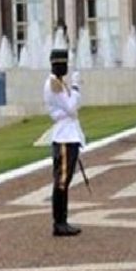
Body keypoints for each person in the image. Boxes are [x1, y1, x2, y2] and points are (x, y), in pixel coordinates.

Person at [44, 49, 85, 236]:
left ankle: (62, 220)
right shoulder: (54, 84)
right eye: (62, 64)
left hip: (69, 134)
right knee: (61, 181)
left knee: (65, 181)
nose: (65, 67)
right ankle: (59, 222)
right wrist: (76, 87)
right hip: (64, 136)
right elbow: (70, 107)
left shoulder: (59, 82)